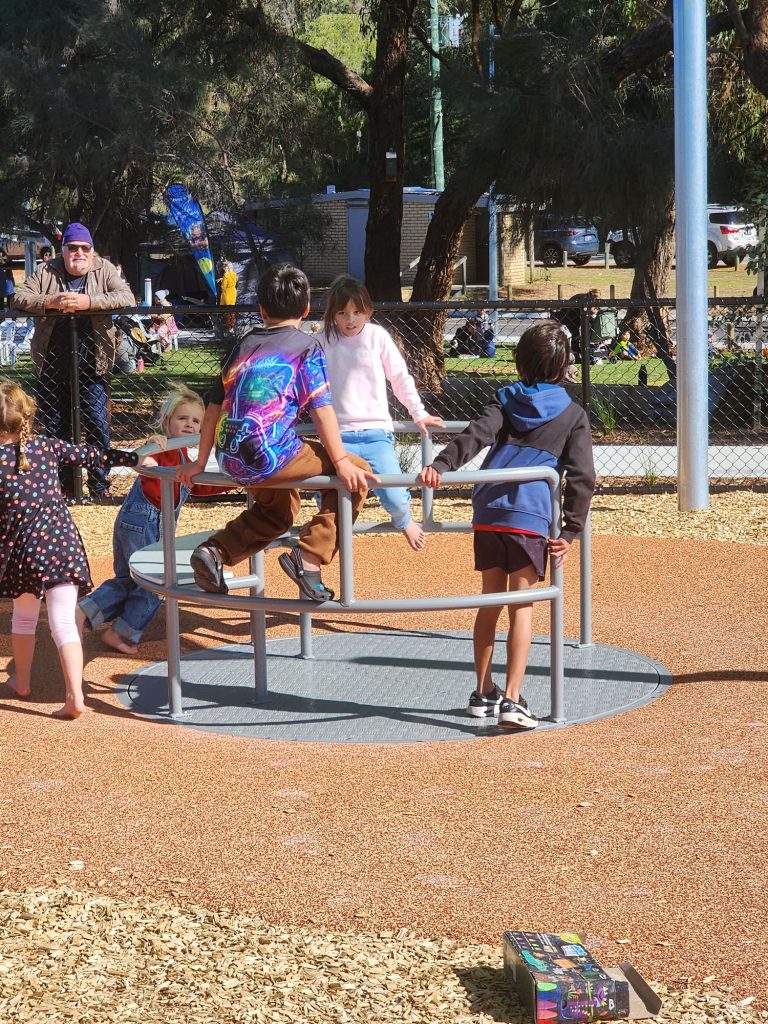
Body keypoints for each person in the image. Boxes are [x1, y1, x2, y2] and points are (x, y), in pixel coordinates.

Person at [418, 322, 595, 731]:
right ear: (566, 365)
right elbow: (582, 476)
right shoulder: (573, 414)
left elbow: (475, 436)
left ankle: (484, 692)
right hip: (529, 516)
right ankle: (513, 701)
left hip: (490, 509)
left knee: (489, 603)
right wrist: (569, 531)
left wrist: (440, 466)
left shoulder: (504, 400)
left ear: (519, 362)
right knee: (522, 608)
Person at [177, 264, 379, 602]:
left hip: (230, 455)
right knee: (359, 472)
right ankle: (311, 557)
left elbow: (213, 409)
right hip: (271, 453)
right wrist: (340, 460)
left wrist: (200, 462)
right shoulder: (305, 346)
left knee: (279, 511)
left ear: (261, 310)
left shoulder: (243, 345)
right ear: (305, 310)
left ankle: (214, 551)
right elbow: (321, 407)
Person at [0, 379, 136, 718]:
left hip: (22, 552)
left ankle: (24, 682)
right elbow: (93, 454)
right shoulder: (46, 447)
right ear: (27, 417)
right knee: (62, 621)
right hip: (61, 544)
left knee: (25, 616)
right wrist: (134, 458)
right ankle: (75, 695)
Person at [318, 274, 445, 551]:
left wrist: (418, 413)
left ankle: (404, 520)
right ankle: (324, 550)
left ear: (368, 312)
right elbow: (306, 384)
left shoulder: (377, 336)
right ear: (332, 314)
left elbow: (399, 377)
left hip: (376, 433)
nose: (350, 319)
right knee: (329, 502)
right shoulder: (323, 340)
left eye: (357, 312)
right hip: (339, 436)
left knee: (394, 494)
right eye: (342, 313)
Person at [77, 386, 205, 655]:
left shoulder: (183, 456)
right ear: (167, 422)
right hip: (143, 524)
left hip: (134, 523)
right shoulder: (164, 447)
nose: (190, 425)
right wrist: (151, 444)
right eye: (183, 418)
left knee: (127, 579)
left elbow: (199, 486)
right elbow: (141, 459)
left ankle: (84, 612)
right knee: (153, 582)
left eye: (196, 421)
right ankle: (122, 633)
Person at [12, 222, 134, 501]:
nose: (79, 253)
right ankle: (64, 487)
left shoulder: (103, 268)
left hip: (94, 362)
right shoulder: (46, 270)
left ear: (91, 251)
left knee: (97, 425)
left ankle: (99, 486)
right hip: (52, 361)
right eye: (73, 248)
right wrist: (51, 301)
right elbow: (19, 296)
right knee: (56, 427)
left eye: (85, 248)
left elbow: (126, 296)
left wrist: (87, 302)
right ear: (63, 250)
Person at [217, 259, 238, 332]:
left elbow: (224, 286)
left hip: (227, 293)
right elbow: (232, 281)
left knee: (227, 312)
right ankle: (232, 327)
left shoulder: (226, 275)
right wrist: (222, 279)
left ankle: (229, 328)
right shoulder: (234, 274)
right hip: (233, 292)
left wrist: (223, 279)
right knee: (232, 311)